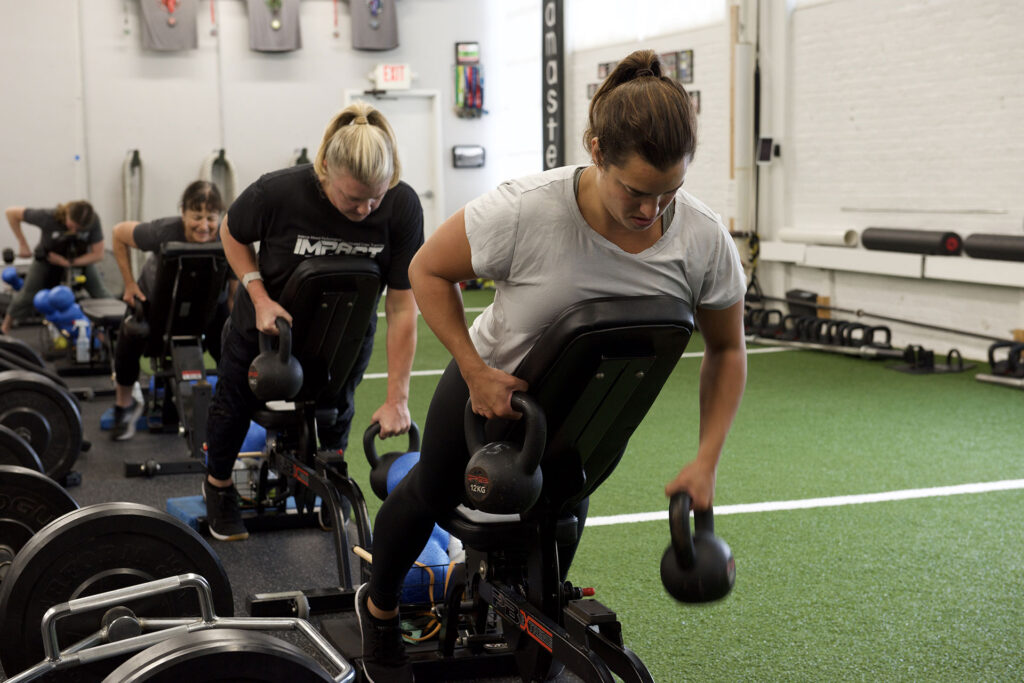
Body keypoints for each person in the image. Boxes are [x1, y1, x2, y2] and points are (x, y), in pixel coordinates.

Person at [356, 49, 748, 682]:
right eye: (636, 191)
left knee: (562, 515)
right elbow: (426, 269)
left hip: (589, 415)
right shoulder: (525, 210)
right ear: (596, 149)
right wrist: (475, 369)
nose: (651, 212)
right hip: (488, 400)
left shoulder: (702, 239)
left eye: (668, 192)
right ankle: (376, 608)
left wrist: (708, 458)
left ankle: (525, 633)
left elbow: (728, 349)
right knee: (430, 489)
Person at [203, 102, 423, 541]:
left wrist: (398, 398)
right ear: (325, 169)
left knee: (337, 410)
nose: (366, 209)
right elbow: (231, 231)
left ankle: (328, 483)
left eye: (375, 196)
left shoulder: (402, 206)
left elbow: (401, 306)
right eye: (353, 197)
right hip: (266, 333)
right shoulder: (278, 192)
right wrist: (259, 295)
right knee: (232, 406)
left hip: (342, 336)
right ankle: (219, 487)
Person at [108, 180, 228, 441]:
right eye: (196, 217)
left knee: (232, 338)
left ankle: (230, 408)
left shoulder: (227, 234)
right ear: (183, 212)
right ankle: (124, 406)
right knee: (130, 332)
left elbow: (237, 276)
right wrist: (128, 285)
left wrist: (234, 312)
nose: (204, 226)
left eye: (211, 217)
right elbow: (118, 233)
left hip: (205, 308)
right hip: (155, 305)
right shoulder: (162, 231)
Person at [1, 200, 112, 335]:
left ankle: (115, 332)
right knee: (26, 296)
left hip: (78, 259)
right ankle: (4, 329)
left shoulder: (93, 221)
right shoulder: (48, 216)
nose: (74, 231)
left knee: (102, 294)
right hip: (47, 260)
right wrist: (22, 243)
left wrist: (67, 263)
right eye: (73, 226)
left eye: (79, 229)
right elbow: (11, 213)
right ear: (67, 214)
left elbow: (98, 255)